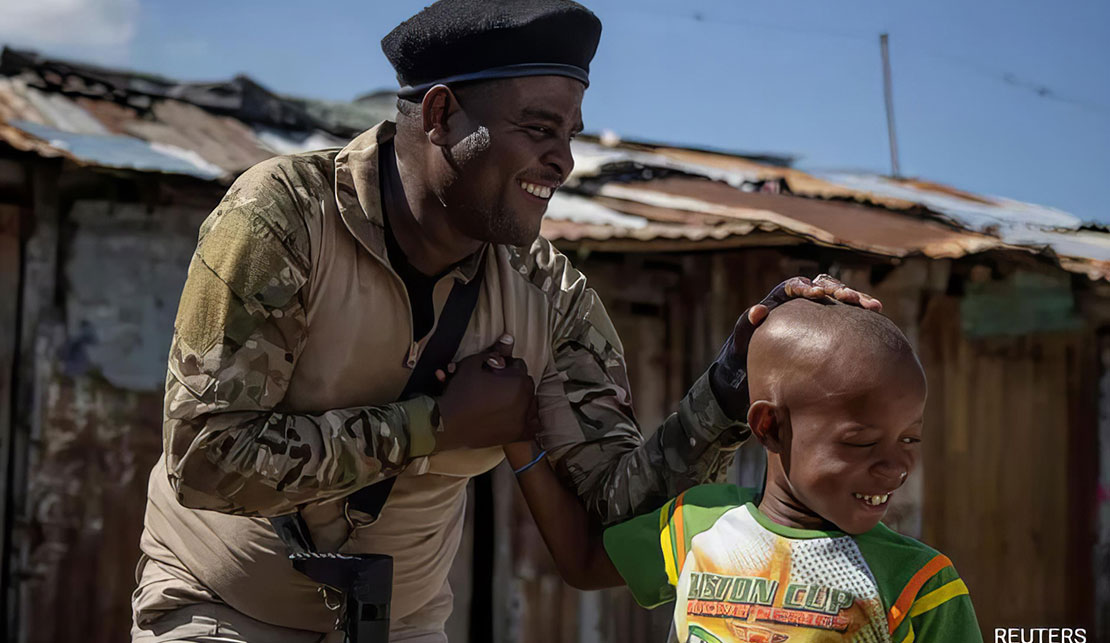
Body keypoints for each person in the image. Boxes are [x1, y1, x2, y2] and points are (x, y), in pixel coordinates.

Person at [130, 1, 881, 641]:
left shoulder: (547, 297)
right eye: (538, 128)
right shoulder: (286, 218)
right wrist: (429, 425)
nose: (563, 163)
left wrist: (723, 390)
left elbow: (610, 522)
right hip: (217, 609)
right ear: (440, 113)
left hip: (401, 625)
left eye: (571, 135)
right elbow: (205, 456)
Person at [507, 299, 982, 642]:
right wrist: (517, 439)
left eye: (911, 438)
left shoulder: (920, 585)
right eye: (861, 442)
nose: (897, 466)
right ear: (769, 426)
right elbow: (582, 563)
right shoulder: (697, 523)